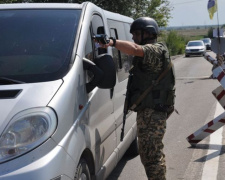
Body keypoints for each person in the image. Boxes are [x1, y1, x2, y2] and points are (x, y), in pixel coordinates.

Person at [98, 17, 176, 180]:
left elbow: (134, 49)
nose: (133, 37)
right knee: (149, 155)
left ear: (147, 33)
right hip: (150, 112)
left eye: (135, 34)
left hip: (153, 113)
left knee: (152, 157)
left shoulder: (155, 50)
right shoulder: (153, 50)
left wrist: (111, 42)